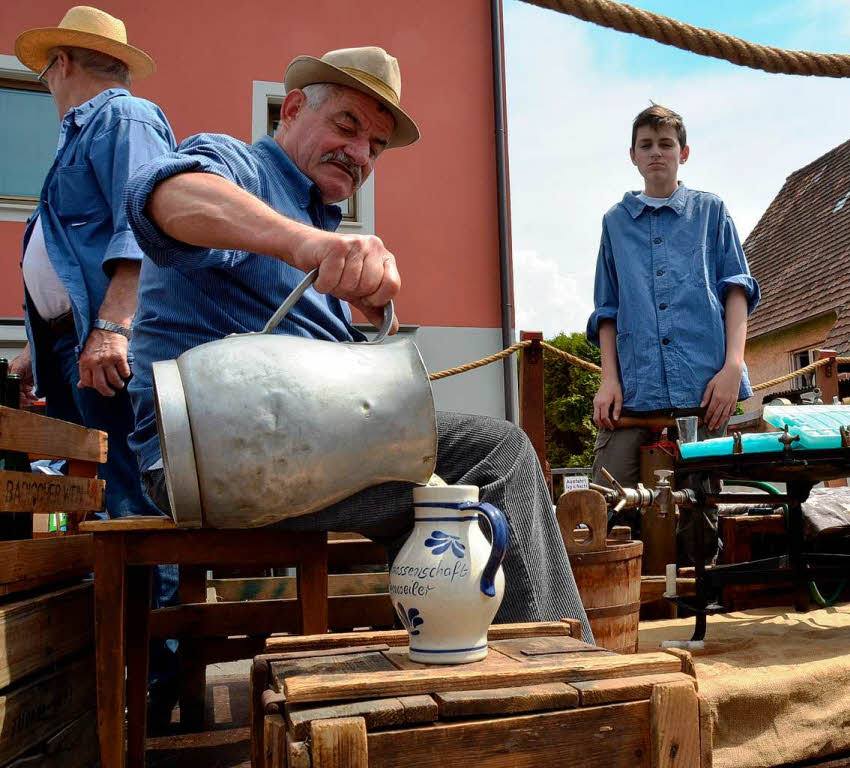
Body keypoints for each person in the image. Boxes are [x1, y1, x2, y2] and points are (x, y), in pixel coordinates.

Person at [123, 48, 591, 643]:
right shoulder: (239, 166)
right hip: (199, 453)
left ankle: (467, 658)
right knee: (494, 457)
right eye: (348, 125)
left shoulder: (318, 221)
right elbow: (165, 199)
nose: (362, 153)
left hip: (280, 447)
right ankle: (553, 665)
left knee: (457, 498)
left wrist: (361, 327)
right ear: (290, 110)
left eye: (376, 145)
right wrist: (304, 248)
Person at [10, 7, 175, 520]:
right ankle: (110, 597)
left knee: (125, 486)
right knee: (98, 490)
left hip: (108, 345)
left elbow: (145, 226)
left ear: (61, 62)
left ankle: (143, 603)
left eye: (44, 74)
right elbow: (71, 255)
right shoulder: (90, 130)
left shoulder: (123, 118)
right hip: (77, 342)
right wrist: (33, 352)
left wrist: (111, 328)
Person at [587, 104, 760, 563]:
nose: (656, 153)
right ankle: (623, 602)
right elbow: (608, 308)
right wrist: (610, 379)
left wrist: (733, 366)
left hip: (702, 385)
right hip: (636, 390)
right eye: (647, 145)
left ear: (684, 152)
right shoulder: (615, 222)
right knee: (606, 494)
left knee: (699, 505)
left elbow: (736, 290)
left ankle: (698, 603)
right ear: (633, 155)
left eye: (666, 144)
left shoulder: (711, 212)